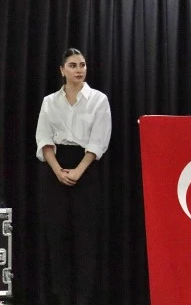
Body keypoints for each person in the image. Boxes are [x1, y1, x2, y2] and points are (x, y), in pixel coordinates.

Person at [35, 48, 112, 305]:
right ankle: (62, 297)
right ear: (62, 70)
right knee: (57, 236)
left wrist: (78, 170)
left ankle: (84, 298)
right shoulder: (49, 101)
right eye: (73, 65)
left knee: (85, 237)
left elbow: (99, 140)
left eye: (82, 65)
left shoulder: (98, 99)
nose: (79, 70)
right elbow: (44, 138)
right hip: (56, 169)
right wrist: (57, 170)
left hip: (86, 168)